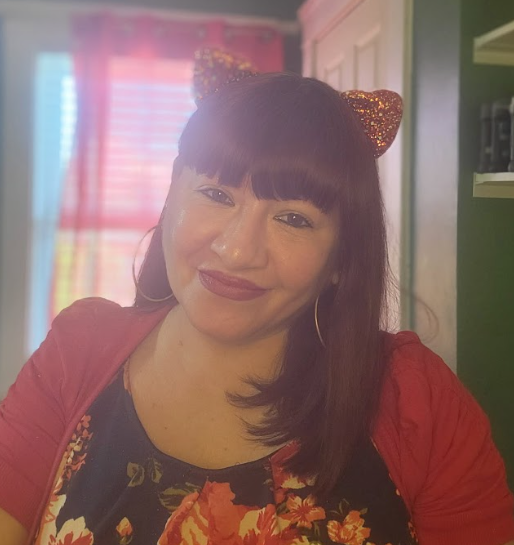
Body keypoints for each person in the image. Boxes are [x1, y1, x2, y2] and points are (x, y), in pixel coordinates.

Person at [0, 48, 513, 545]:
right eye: (216, 194)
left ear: (342, 257)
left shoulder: (416, 402)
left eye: (293, 218)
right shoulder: (77, 349)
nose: (238, 250)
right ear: (173, 193)